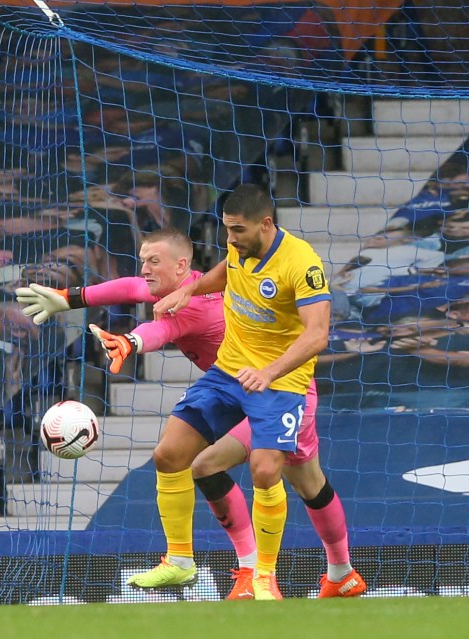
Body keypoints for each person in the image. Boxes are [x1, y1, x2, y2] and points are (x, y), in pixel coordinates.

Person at [16, 227, 365, 600]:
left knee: (304, 481)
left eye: (154, 261)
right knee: (191, 461)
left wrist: (130, 342)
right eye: (143, 260)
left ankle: (333, 572)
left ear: (182, 265)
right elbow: (127, 287)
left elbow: (162, 329)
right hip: (233, 390)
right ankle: (230, 568)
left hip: (283, 392)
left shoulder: (194, 305)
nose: (145, 269)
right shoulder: (174, 286)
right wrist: (66, 298)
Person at [150, 184, 332, 599]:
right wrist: (189, 289)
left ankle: (264, 578)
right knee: (169, 454)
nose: (230, 239)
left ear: (266, 224)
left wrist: (269, 371)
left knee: (267, 471)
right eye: (227, 230)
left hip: (281, 381)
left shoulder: (301, 264)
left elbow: (318, 334)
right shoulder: (240, 248)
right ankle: (178, 561)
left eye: (238, 230)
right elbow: (227, 270)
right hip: (229, 371)